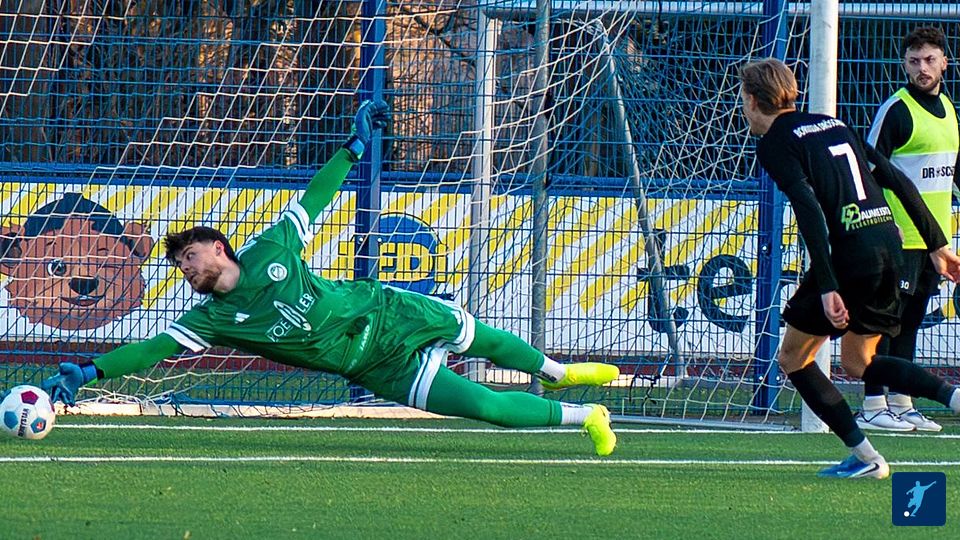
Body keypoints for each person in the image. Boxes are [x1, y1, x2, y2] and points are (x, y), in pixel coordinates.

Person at [40, 99, 620, 456]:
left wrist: (353, 148)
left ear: (218, 247)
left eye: (189, 256)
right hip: (377, 368)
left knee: (482, 338)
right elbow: (151, 349)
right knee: (485, 407)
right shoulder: (211, 320)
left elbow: (315, 199)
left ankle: (558, 372)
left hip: (389, 312)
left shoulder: (272, 247)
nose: (185, 268)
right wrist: (91, 370)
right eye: (180, 266)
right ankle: (588, 417)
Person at [739, 58, 960, 479]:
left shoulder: (774, 143)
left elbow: (807, 208)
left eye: (743, 100)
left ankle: (867, 458)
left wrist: (826, 285)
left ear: (752, 100)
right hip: (889, 245)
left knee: (793, 358)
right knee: (860, 362)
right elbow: (897, 179)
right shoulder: (833, 124)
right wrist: (937, 244)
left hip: (850, 256)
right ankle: (953, 398)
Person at [858, 26, 960, 432]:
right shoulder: (896, 110)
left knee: (912, 320)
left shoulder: (949, 109)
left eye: (930, 59)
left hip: (933, 241)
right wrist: (883, 223)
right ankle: (872, 403)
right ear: (904, 64)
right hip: (898, 236)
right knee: (886, 321)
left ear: (944, 63)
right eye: (914, 61)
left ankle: (901, 402)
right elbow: (868, 171)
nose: (922, 68)